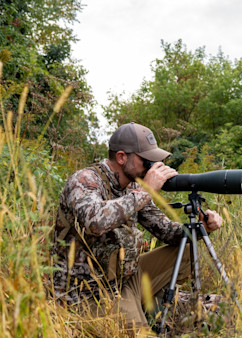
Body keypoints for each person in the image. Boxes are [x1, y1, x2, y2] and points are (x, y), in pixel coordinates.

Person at [50, 122, 223, 332]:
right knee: (140, 334)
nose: (153, 166)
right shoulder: (85, 180)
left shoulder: (133, 187)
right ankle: (144, 310)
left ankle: (150, 302)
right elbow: (94, 222)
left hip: (126, 279)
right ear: (122, 157)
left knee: (188, 247)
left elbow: (167, 232)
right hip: (88, 294)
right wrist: (146, 191)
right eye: (147, 161)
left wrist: (203, 226)